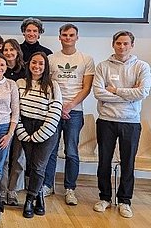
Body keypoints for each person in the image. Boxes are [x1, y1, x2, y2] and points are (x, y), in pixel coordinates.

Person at [92, 30, 151, 218]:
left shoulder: (142, 67)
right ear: (113, 44)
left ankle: (125, 200)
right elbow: (99, 93)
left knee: (128, 163)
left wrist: (115, 90)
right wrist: (128, 95)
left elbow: (142, 92)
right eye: (119, 43)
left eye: (126, 43)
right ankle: (105, 198)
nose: (122, 47)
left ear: (132, 45)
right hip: (106, 120)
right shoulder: (103, 67)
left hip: (131, 122)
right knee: (104, 162)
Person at [43, 23, 95, 203]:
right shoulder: (51, 58)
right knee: (50, 150)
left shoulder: (85, 59)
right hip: (53, 111)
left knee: (72, 152)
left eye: (71, 35)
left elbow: (86, 87)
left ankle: (70, 189)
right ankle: (48, 185)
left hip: (75, 112)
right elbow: (47, 85)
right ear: (59, 37)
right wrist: (58, 106)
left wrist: (69, 106)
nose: (68, 38)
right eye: (64, 35)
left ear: (77, 37)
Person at [15, 52, 62, 218]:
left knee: (39, 166)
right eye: (34, 63)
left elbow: (55, 112)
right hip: (25, 128)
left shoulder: (52, 85)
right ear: (29, 64)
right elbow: (16, 110)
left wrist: (39, 135)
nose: (37, 66)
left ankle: (29, 199)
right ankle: (39, 195)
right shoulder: (20, 83)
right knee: (30, 166)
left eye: (41, 63)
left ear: (46, 66)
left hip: (47, 129)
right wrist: (22, 132)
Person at [0, 38, 27, 206]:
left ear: (17, 52)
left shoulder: (25, 71)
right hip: (3, 120)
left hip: (21, 119)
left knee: (18, 157)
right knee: (3, 158)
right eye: (6, 50)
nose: (9, 53)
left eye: (12, 50)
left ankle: (13, 190)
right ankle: (2, 190)